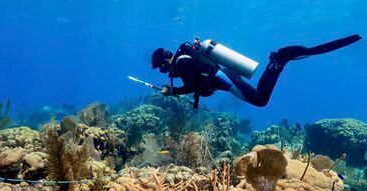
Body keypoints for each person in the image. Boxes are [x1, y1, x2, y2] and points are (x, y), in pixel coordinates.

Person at [151, 34, 361, 108]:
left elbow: (192, 85)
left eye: (162, 68)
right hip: (226, 74)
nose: (164, 72)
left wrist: (173, 92)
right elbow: (198, 83)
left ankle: (278, 60)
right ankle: (278, 60)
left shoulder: (180, 62)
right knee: (259, 99)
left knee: (260, 100)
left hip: (226, 79)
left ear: (164, 61)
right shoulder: (186, 58)